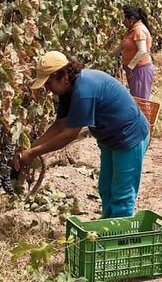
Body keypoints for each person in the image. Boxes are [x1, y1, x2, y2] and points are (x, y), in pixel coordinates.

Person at [18, 51, 150, 218]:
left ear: (63, 75)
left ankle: (119, 238)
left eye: (49, 83)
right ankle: (107, 228)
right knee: (106, 188)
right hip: (110, 138)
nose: (47, 89)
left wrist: (33, 153)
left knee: (122, 195)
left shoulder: (83, 91)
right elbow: (59, 124)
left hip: (129, 137)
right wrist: (31, 148)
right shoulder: (68, 89)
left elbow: (69, 134)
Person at [118, 5, 155, 100]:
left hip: (139, 70)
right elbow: (122, 45)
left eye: (124, 19)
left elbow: (142, 51)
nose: (122, 22)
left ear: (132, 19)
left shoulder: (139, 30)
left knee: (140, 100)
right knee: (136, 97)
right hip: (135, 70)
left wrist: (130, 66)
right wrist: (109, 55)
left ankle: (144, 115)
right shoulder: (131, 30)